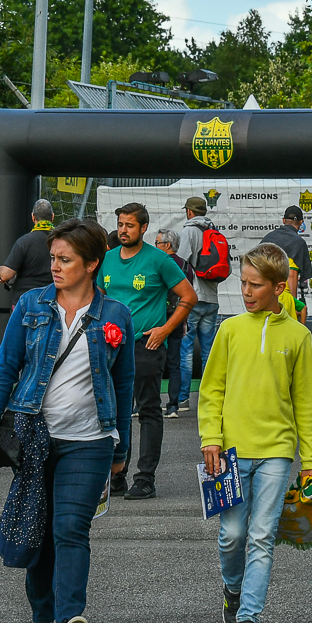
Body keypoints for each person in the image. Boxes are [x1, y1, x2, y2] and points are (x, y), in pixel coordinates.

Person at [0, 218, 135, 623]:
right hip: (34, 436)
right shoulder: (30, 305)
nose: (55, 267)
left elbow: (124, 383)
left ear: (92, 263)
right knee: (38, 530)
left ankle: (68, 622)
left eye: (65, 260)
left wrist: (122, 449)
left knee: (70, 528)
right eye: (54, 258)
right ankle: (41, 618)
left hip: (91, 440)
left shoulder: (116, 314)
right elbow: (4, 369)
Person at [199, 242, 312, 623]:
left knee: (263, 534)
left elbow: (306, 402)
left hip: (277, 451)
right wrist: (210, 439)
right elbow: (211, 389)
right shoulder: (230, 329)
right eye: (243, 283)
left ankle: (250, 617)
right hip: (230, 453)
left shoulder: (300, 336)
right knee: (232, 534)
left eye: (254, 285)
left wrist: (311, 461)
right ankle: (232, 592)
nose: (246, 292)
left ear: (278, 286)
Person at [100, 202, 196, 500]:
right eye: (120, 225)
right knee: (113, 411)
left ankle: (145, 478)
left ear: (144, 228)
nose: (123, 230)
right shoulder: (107, 258)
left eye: (130, 225)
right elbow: (99, 297)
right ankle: (116, 476)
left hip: (146, 344)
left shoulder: (159, 260)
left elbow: (188, 296)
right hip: (110, 345)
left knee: (148, 410)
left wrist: (165, 330)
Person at [178, 196, 228, 413]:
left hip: (192, 299)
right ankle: (209, 398)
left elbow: (180, 263)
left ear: (189, 212)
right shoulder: (215, 232)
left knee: (186, 349)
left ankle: (182, 399)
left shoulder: (188, 232)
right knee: (209, 351)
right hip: (212, 299)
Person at [153, 228, 195, 418]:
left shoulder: (160, 263)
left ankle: (145, 404)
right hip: (178, 316)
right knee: (175, 362)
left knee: (152, 361)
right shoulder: (186, 266)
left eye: (157, 243)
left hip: (159, 317)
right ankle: (173, 405)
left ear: (167, 245)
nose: (155, 247)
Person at [0, 199, 57, 306]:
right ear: (52, 217)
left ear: (33, 217)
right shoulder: (61, 242)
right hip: (53, 301)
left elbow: (6, 275)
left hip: (25, 303)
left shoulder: (24, 242)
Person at [259, 205, 312, 307]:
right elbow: (292, 273)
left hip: (264, 294)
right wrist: (293, 303)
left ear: (284, 220)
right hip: (283, 297)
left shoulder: (267, 238)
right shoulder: (298, 243)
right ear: (301, 222)